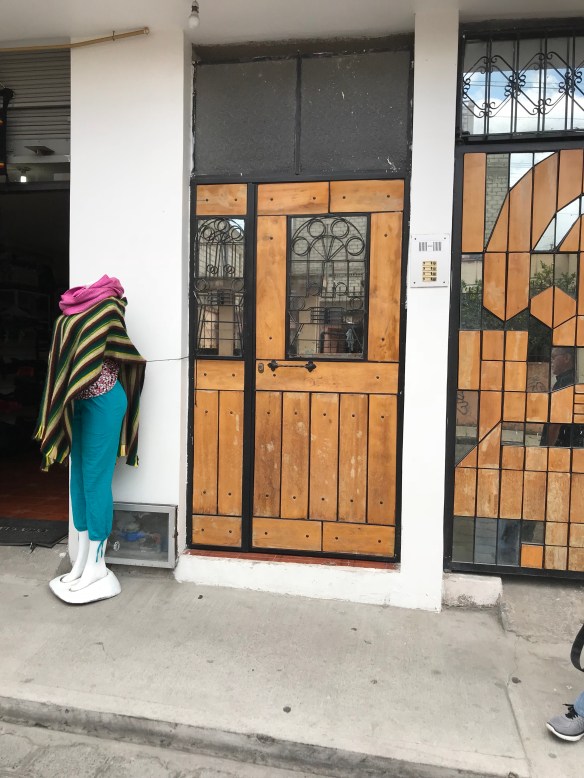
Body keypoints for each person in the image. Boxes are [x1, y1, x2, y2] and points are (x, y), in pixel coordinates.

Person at [34, 275, 145, 600]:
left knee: (95, 480)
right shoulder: (70, 308)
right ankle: (82, 561)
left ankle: (97, 564)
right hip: (78, 402)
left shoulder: (110, 306)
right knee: (78, 480)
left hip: (105, 402)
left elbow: (109, 349)